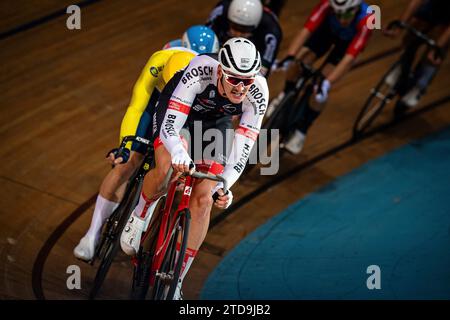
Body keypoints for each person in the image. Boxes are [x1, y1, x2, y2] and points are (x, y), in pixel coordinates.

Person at [120, 37, 268, 299]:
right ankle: (140, 214)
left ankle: (176, 279)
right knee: (170, 169)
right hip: (180, 114)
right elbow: (170, 127)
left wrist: (226, 187)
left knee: (204, 201)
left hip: (217, 123)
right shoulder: (200, 68)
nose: (241, 87)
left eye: (247, 80)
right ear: (221, 71)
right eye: (235, 79)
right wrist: (178, 152)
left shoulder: (258, 92)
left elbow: (243, 149)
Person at [73, 26, 219, 261]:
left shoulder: (208, 75)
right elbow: (137, 105)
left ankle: (152, 216)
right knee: (128, 162)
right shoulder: (161, 59)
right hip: (157, 102)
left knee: (176, 168)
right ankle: (92, 235)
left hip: (188, 110)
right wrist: (125, 144)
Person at [268, 0, 373, 154]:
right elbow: (306, 31)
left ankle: (301, 130)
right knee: (299, 62)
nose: (342, 19)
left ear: (356, 9)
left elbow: (349, 58)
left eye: (347, 14)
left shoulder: (369, 18)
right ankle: (285, 94)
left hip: (346, 45)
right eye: (337, 13)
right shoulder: (326, 5)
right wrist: (290, 57)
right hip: (327, 32)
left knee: (320, 88)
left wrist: (327, 83)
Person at [383, 0, 449, 116]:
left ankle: (420, 86)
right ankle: (402, 64)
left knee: (436, 50)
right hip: (436, 5)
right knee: (413, 27)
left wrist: (437, 48)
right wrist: (400, 25)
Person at [207, 0, 282, 77]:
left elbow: (263, 71)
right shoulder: (221, 9)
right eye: (234, 26)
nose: (238, 34)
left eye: (245, 29)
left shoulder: (272, 31)